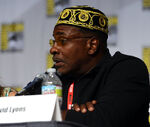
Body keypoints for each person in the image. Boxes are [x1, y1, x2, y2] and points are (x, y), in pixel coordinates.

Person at [49, 5, 150, 127]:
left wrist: (48, 114)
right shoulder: (54, 77)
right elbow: (25, 110)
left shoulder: (128, 69)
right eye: (53, 42)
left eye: (62, 41)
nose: (53, 49)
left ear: (92, 45)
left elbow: (103, 121)